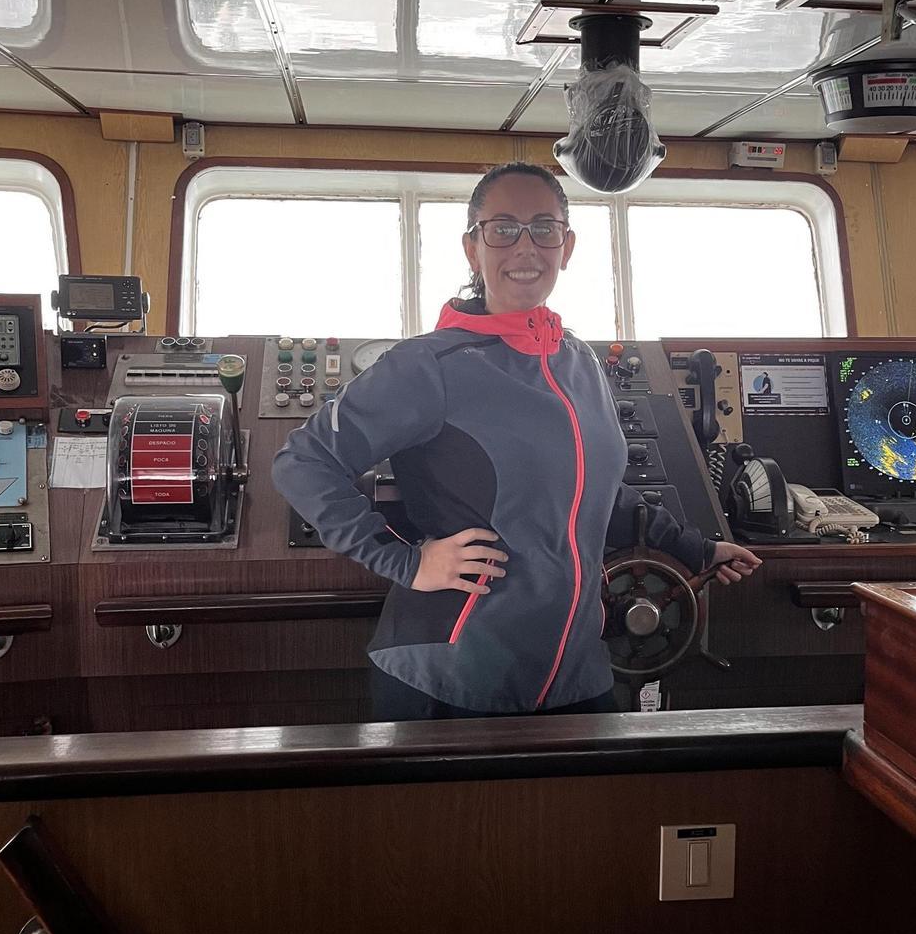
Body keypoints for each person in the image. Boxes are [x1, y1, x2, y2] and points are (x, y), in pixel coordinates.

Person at [272, 162, 761, 721]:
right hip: (453, 676)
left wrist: (696, 549)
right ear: (472, 247)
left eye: (543, 228)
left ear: (567, 244)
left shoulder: (579, 362)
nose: (524, 247)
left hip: (576, 671)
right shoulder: (427, 365)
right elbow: (302, 462)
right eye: (502, 228)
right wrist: (405, 562)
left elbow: (595, 493)